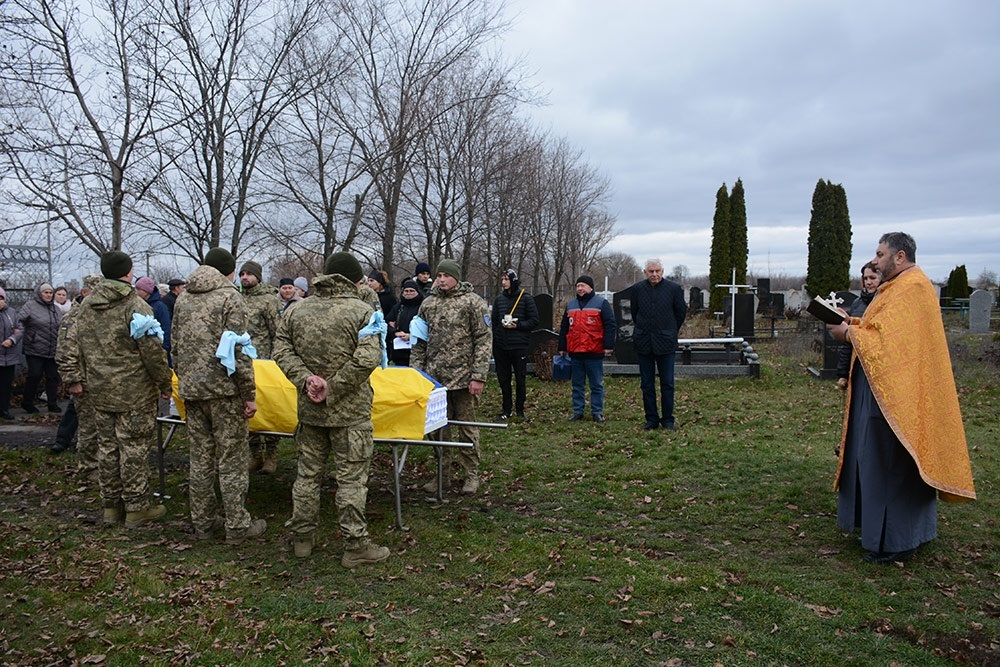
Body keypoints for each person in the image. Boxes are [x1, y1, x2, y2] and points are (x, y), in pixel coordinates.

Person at [827, 232, 976, 564]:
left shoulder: (912, 288)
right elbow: (878, 329)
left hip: (897, 398)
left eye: (880, 254)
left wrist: (848, 332)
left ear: (900, 256)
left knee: (891, 464)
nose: (875, 261)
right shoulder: (896, 287)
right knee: (875, 461)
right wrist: (849, 321)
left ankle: (897, 541)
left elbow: (892, 346)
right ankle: (883, 533)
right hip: (881, 391)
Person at [273, 251, 388, 566]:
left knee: (307, 476)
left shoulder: (297, 310)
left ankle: (302, 539)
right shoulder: (363, 312)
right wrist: (332, 387)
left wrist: (306, 380)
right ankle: (355, 545)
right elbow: (367, 358)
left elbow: (280, 349)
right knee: (351, 480)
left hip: (310, 412)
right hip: (350, 413)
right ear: (354, 280)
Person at [62, 252, 172, 527]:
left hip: (99, 388)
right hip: (133, 392)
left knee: (108, 448)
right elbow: (152, 352)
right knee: (133, 448)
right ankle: (136, 508)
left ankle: (111, 507)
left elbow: (79, 346)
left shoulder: (86, 307)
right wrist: (164, 383)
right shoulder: (135, 306)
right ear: (128, 272)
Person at [172, 248, 266, 545]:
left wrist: (184, 380)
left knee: (200, 459)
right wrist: (248, 393)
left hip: (192, 389)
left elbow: (174, 345)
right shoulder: (230, 297)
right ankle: (237, 525)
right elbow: (238, 349)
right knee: (232, 459)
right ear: (228, 271)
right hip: (224, 392)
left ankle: (203, 523)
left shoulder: (183, 298)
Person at [411, 259, 492, 495]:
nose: (442, 279)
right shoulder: (428, 304)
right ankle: (441, 475)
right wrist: (417, 375)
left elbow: (483, 341)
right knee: (438, 430)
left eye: (446, 275)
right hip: (435, 380)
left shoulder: (473, 303)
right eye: (439, 275)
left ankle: (471, 475)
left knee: (467, 427)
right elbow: (419, 342)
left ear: (456, 277)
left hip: (465, 379)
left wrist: (478, 376)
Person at [52, 275, 103, 481]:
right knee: (88, 427)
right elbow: (65, 351)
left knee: (101, 427)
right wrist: (73, 379)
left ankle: (101, 466)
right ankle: (89, 469)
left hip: (101, 381)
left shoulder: (97, 314)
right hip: (84, 381)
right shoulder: (73, 318)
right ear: (85, 292)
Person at [630, 258, 687, 431]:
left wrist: (669, 330)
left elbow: (680, 313)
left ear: (662, 271)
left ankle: (668, 419)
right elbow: (635, 312)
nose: (654, 274)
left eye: (657, 271)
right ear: (645, 272)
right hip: (644, 342)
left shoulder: (674, 289)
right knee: (646, 384)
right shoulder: (637, 289)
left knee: (667, 383)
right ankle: (651, 419)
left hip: (665, 342)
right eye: (651, 271)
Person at [239, 260, 282, 474]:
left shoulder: (268, 300)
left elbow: (278, 333)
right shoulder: (235, 298)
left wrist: (276, 362)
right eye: (242, 273)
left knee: (269, 407)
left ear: (258, 276)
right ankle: (254, 454)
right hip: (242, 364)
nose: (245, 277)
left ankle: (272, 455)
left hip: (265, 363)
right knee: (248, 409)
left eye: (249, 274)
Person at [557, 275, 616, 423]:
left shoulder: (601, 303)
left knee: (596, 384)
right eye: (578, 286)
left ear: (590, 288)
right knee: (577, 385)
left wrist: (608, 346)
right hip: (575, 352)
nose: (580, 288)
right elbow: (564, 327)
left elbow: (610, 325)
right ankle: (578, 411)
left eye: (582, 285)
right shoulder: (571, 304)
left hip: (594, 351)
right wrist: (562, 346)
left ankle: (597, 412)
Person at [491, 268, 539, 421]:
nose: (504, 282)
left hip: (519, 346)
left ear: (513, 280)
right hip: (501, 346)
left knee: (520, 379)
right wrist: (497, 339)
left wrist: (517, 326)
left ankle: (520, 410)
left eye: (506, 279)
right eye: (502, 279)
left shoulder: (525, 298)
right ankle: (506, 409)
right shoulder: (499, 300)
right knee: (503, 379)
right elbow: (494, 322)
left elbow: (534, 321)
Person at [17, 282, 63, 414]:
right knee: (35, 375)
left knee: (53, 377)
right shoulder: (30, 306)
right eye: (45, 292)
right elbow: (19, 321)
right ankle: (27, 402)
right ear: (39, 293)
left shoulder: (56, 309)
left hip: (52, 348)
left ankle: (52, 403)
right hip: (35, 348)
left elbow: (62, 325)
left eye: (50, 292)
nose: (48, 295)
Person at [835, 262, 880, 390]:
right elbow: (849, 340)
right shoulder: (857, 303)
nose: (868, 282)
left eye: (873, 278)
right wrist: (843, 373)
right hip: (858, 365)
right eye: (865, 278)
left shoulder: (885, 304)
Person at [385, 279, 424, 367]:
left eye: (411, 291)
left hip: (417, 350)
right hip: (399, 350)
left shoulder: (422, 307)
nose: (408, 293)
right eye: (406, 291)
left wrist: (411, 336)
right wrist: (395, 332)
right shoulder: (398, 307)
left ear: (417, 292)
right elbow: (386, 323)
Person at [135, 276, 172, 366]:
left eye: (138, 289)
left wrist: (164, 350)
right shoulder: (137, 304)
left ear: (146, 291)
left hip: (158, 350)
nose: (135, 292)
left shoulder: (160, 307)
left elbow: (166, 328)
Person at [0, 287, 22, 421]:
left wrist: (12, 339)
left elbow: (19, 329)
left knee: (6, 384)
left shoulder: (11, 312)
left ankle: (4, 409)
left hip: (9, 355)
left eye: (1, 298)